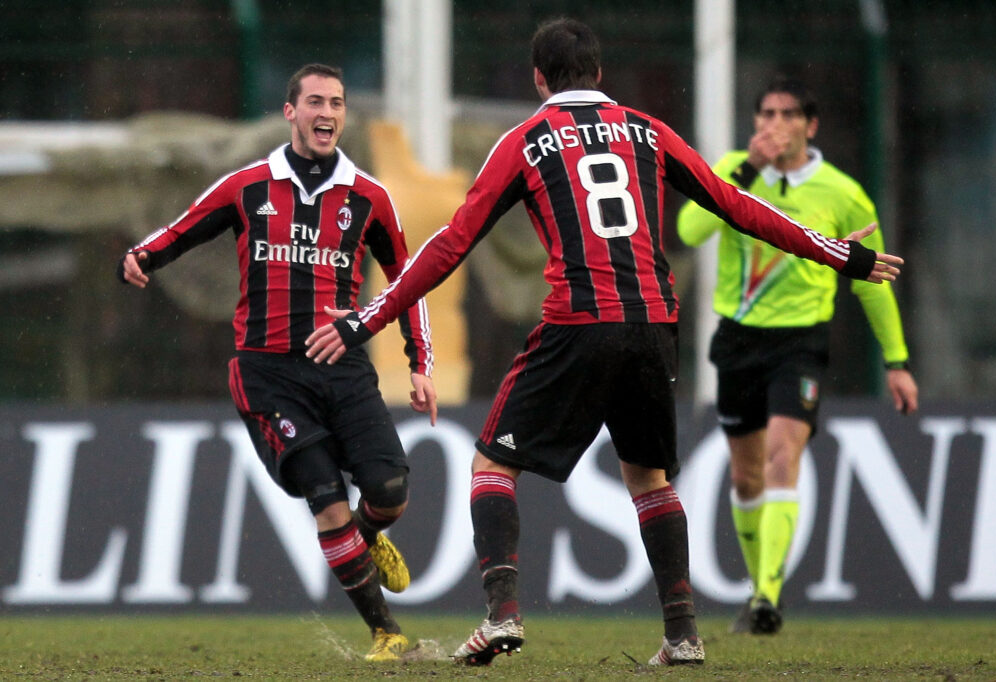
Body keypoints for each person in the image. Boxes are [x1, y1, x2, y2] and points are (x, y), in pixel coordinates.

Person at [305, 20, 903, 667]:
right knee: (648, 478)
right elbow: (735, 205)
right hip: (653, 324)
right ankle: (682, 634)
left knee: (492, 468)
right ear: (600, 74)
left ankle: (502, 615)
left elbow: (453, 242)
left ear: (539, 78)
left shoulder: (527, 141)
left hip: (579, 320)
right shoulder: (647, 130)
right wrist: (840, 255)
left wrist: (368, 319)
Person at [117, 63, 438, 662]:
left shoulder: (368, 196)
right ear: (290, 111)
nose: (327, 113)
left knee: (390, 491)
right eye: (314, 101)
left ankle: (369, 538)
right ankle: (387, 634)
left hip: (342, 368)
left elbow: (408, 281)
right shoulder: (247, 185)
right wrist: (140, 256)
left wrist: (420, 361)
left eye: (337, 103)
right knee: (325, 494)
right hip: (269, 375)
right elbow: (184, 228)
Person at [677, 75, 919, 635]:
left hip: (801, 343)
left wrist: (897, 361)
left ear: (810, 127)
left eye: (787, 115)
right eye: (765, 114)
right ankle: (757, 585)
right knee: (745, 477)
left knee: (785, 454)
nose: (773, 125)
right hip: (738, 338)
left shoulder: (842, 192)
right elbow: (690, 230)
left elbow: (871, 280)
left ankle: (766, 595)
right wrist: (744, 175)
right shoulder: (734, 169)